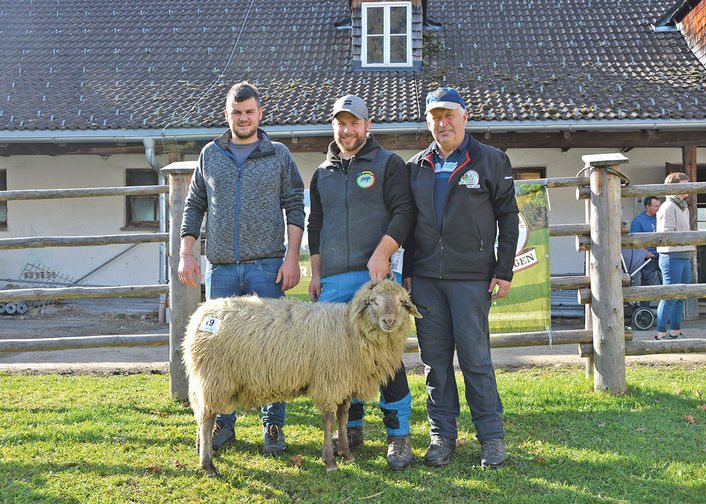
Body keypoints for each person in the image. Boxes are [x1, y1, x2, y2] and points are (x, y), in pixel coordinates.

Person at [178, 81, 305, 453]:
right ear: (227, 115)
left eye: (249, 112)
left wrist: (292, 257)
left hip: (267, 267)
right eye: (237, 113)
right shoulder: (210, 154)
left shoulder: (278, 155)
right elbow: (193, 206)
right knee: (219, 349)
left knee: (274, 348)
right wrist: (187, 253)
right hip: (222, 270)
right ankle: (221, 423)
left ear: (260, 114)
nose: (243, 118)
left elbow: (294, 206)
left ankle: (273, 427)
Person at [403, 87, 519, 468]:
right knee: (435, 362)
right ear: (428, 122)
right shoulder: (415, 166)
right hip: (425, 280)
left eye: (449, 114)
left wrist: (503, 270)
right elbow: (407, 226)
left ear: (465, 117)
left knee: (475, 359)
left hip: (471, 279)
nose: (443, 122)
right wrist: (407, 276)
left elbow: (508, 218)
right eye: (435, 116)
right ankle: (442, 436)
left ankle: (491, 437)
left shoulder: (489, 160)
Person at [306, 95, 417, 470]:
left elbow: (404, 213)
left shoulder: (389, 164)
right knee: (341, 360)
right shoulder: (321, 173)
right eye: (341, 122)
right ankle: (350, 429)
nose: (347, 130)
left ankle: (398, 436)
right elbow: (315, 225)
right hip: (335, 279)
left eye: (354, 123)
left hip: (377, 279)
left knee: (387, 360)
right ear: (333, 126)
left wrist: (383, 253)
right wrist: (317, 271)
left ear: (368, 126)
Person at [655, 172, 694, 339]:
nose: (688, 187)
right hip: (671, 255)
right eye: (684, 184)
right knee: (669, 295)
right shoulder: (668, 206)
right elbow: (666, 233)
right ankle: (661, 333)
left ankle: (675, 331)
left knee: (681, 296)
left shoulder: (682, 206)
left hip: (685, 254)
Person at [629, 196, 662, 306]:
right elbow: (635, 243)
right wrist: (648, 254)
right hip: (648, 260)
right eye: (656, 206)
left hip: (663, 255)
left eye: (659, 205)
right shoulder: (638, 222)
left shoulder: (661, 218)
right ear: (647, 207)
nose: (659, 208)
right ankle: (645, 312)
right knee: (646, 287)